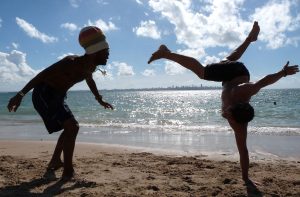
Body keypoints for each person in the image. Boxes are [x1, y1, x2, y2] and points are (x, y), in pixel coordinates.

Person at [148, 21, 299, 185]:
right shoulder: (243, 91)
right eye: (229, 114)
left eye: (229, 118)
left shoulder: (240, 125)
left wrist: (246, 178)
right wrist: (283, 72)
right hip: (238, 73)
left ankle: (250, 38)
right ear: (234, 106)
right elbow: (264, 82)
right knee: (202, 72)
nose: (226, 116)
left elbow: (243, 151)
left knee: (228, 59)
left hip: (227, 77)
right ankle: (165, 53)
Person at [7, 26, 114, 180]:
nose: (109, 55)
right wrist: (20, 95)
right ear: (96, 52)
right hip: (44, 94)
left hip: (59, 96)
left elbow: (89, 79)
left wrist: (99, 99)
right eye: (106, 51)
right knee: (72, 126)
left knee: (70, 127)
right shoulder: (70, 62)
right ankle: (68, 172)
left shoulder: (91, 65)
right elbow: (41, 76)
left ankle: (55, 160)